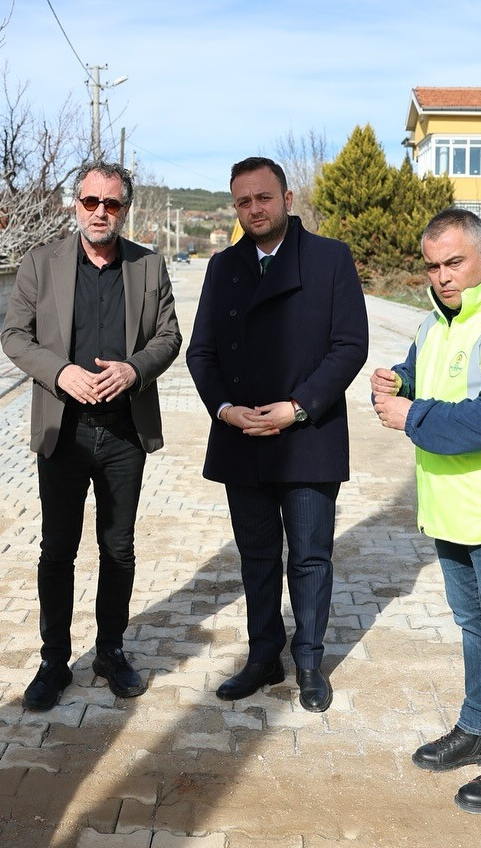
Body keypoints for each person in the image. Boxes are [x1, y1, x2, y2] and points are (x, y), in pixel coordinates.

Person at [370, 207, 481, 813]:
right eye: (433, 266)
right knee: (474, 629)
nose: (443, 276)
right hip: (449, 508)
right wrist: (399, 381)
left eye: (455, 262)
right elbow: (427, 377)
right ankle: (479, 726)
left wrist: (412, 417)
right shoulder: (433, 325)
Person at [185, 156, 367, 713]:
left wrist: (299, 407)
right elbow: (202, 353)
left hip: (307, 435)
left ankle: (309, 662)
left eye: (264, 198)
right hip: (243, 436)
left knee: (310, 557)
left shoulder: (331, 259)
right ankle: (263, 656)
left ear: (287, 199)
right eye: (243, 202)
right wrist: (224, 409)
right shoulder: (223, 267)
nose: (254, 209)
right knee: (256, 556)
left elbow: (350, 347)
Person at [1, 159, 181, 711]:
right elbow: (14, 336)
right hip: (64, 433)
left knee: (118, 549)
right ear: (74, 203)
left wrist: (134, 369)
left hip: (125, 434)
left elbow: (170, 336)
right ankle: (54, 661)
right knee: (57, 550)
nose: (100, 212)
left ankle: (110, 651)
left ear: (126, 209)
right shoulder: (41, 263)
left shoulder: (149, 267)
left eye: (112, 204)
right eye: (90, 202)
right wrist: (60, 372)